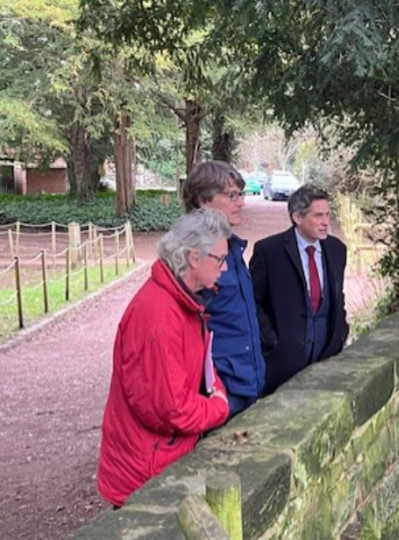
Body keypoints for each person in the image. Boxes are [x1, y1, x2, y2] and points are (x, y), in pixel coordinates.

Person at [97, 209, 232, 507]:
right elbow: (170, 409)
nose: (224, 268)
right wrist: (218, 408)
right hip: (145, 471)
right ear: (194, 258)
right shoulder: (159, 314)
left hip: (161, 457)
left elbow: (201, 368)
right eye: (220, 259)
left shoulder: (184, 300)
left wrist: (215, 393)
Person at [181, 160, 265, 417]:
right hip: (219, 391)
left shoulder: (230, 247)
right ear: (203, 201)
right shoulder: (193, 254)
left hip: (247, 383)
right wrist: (213, 386)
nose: (241, 202)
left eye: (240, 194)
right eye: (231, 195)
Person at [250, 185, 349, 394]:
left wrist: (340, 332)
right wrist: (272, 339)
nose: (325, 222)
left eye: (328, 215)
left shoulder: (337, 249)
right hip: (283, 364)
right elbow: (254, 301)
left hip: (326, 358)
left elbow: (337, 296)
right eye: (318, 216)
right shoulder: (269, 251)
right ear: (297, 217)